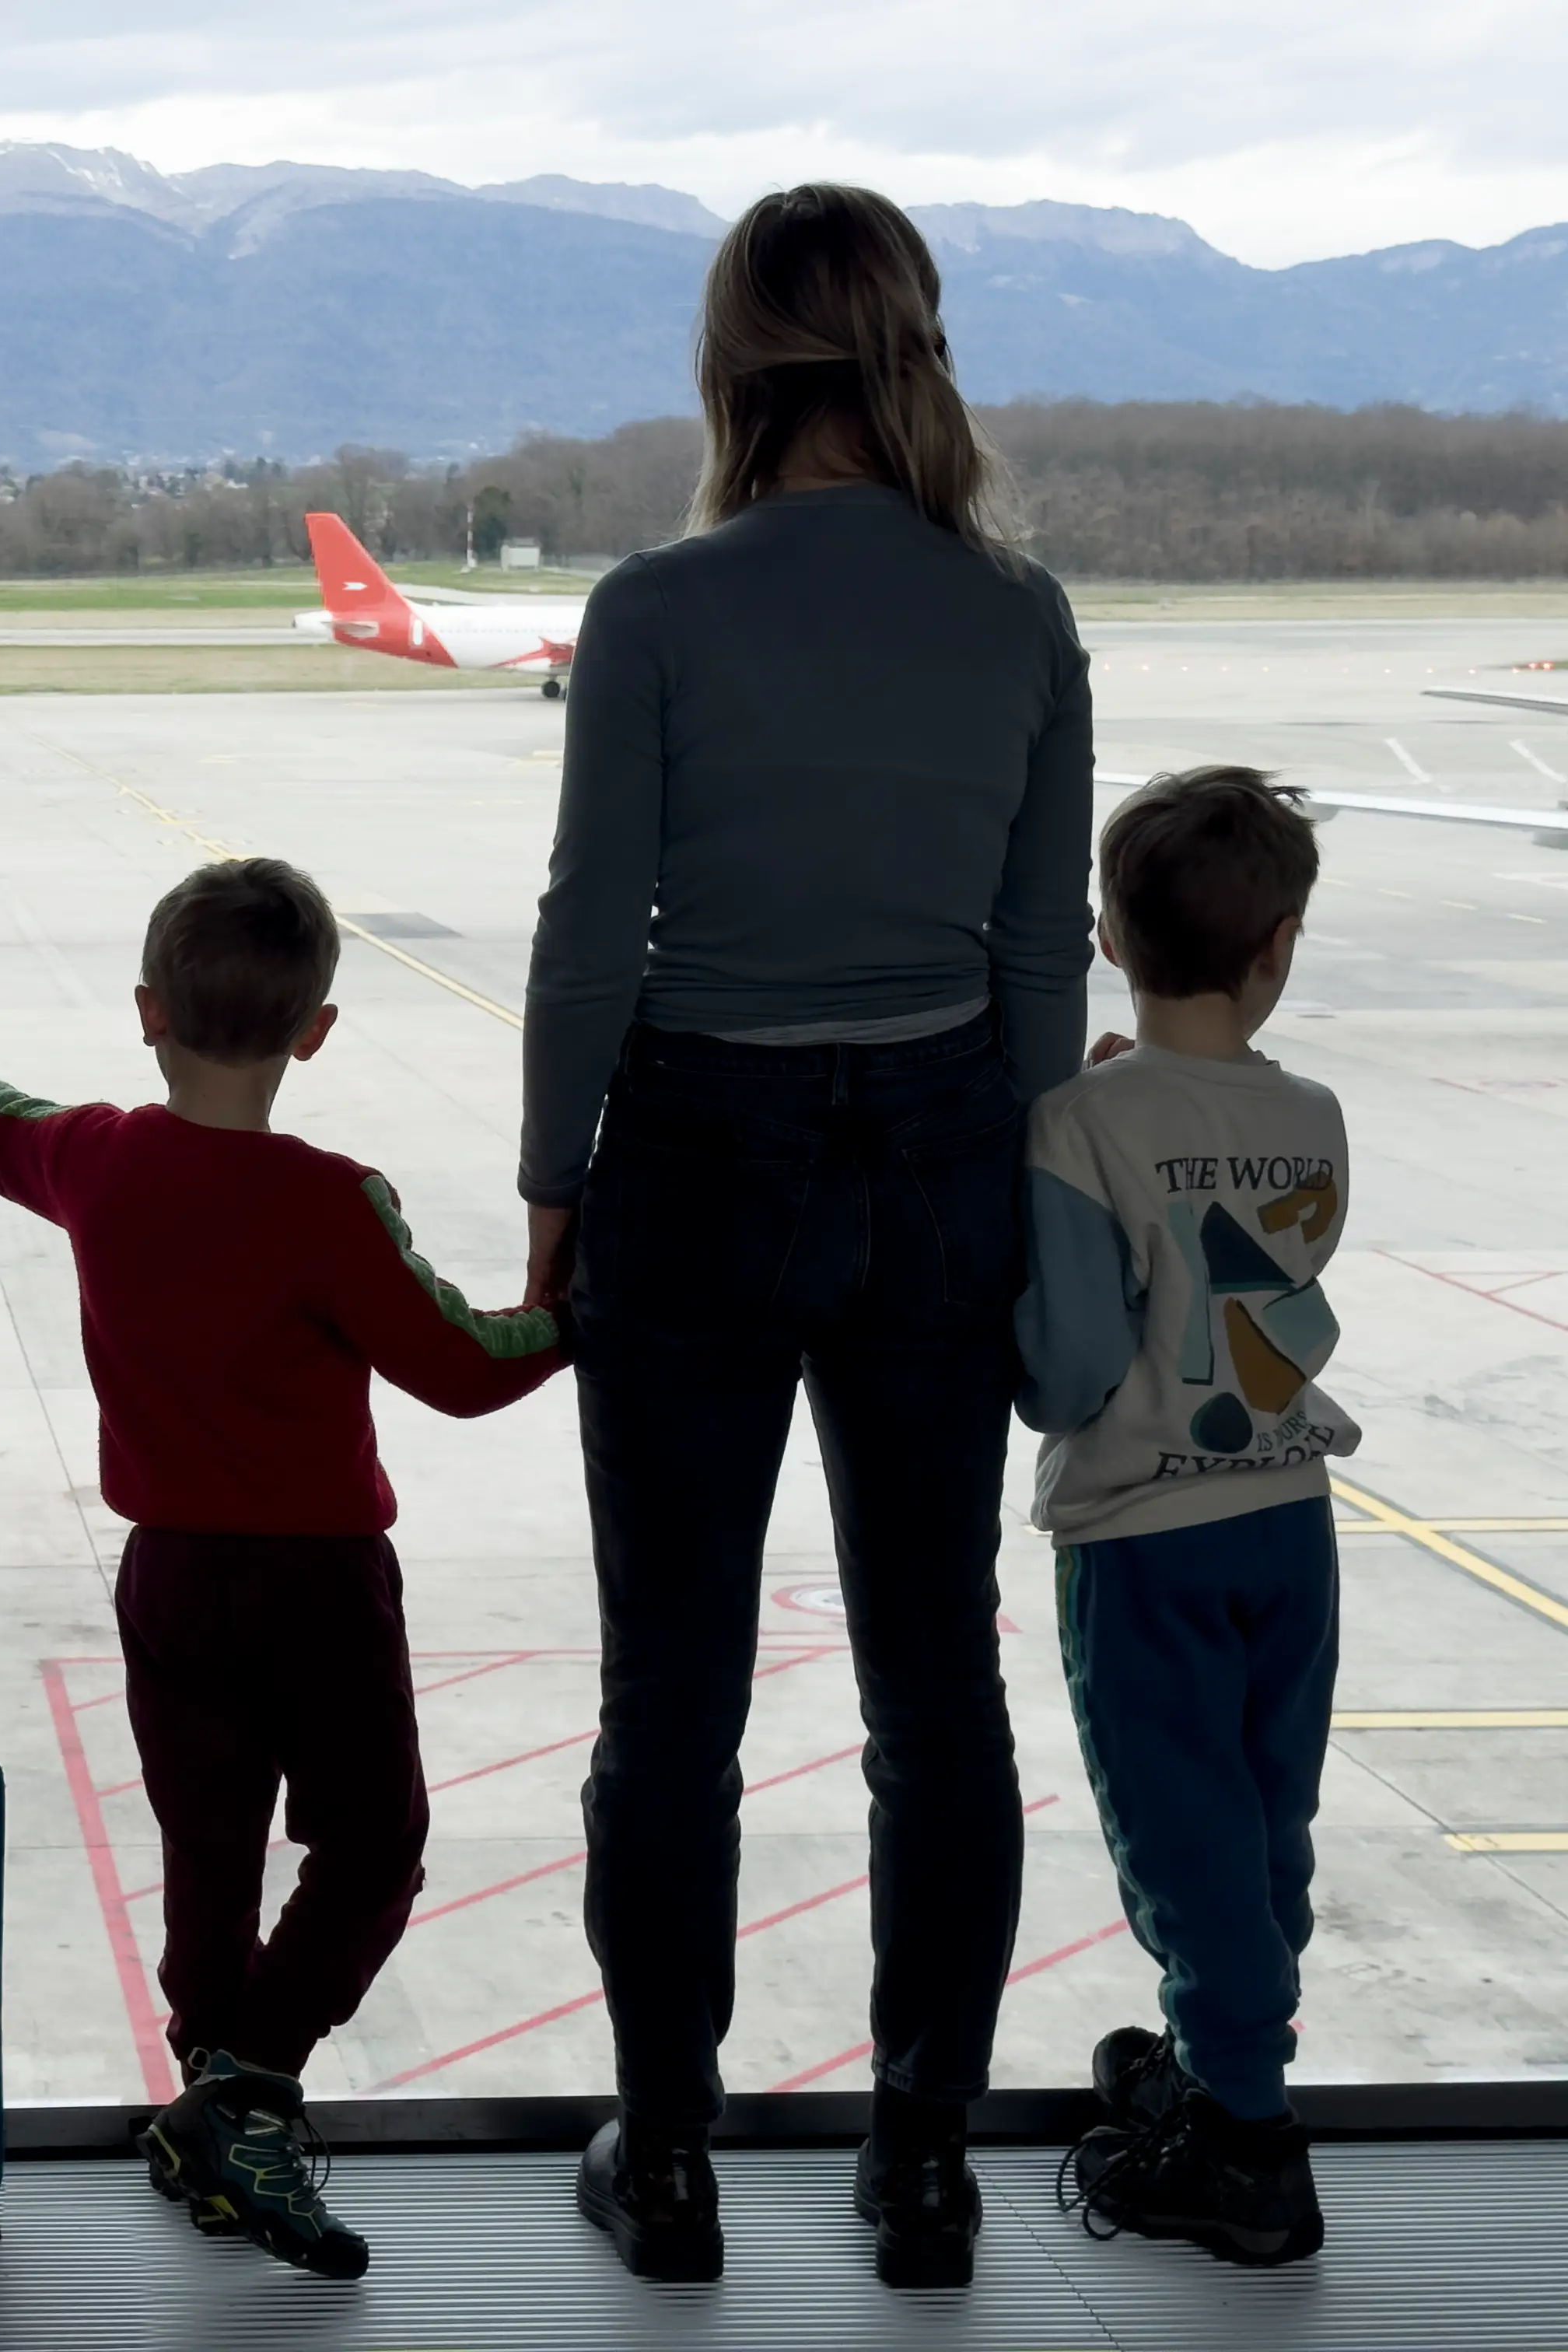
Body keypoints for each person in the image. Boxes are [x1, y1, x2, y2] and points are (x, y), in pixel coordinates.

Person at [517, 184, 1094, 2290]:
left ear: (731, 362)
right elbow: (1044, 958)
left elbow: (595, 933)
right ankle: (922, 2159)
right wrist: (1031, 1210)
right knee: (940, 1686)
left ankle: (666, 2153)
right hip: (946, 1152)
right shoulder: (1017, 612)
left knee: (669, 1697)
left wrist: (552, 1184)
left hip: (698, 1153)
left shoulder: (660, 607)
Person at [0, 856, 570, 2281]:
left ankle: (211, 2097)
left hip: (171, 1581)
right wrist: (575, 1311)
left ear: (147, 1011)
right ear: (316, 1030)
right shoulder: (330, 1201)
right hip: (317, 1587)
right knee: (371, 1846)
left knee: (212, 1848)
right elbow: (462, 1366)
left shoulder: (98, 1158)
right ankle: (247, 2093)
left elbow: (4, 1122)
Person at [1020, 767, 1346, 2267]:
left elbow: (1076, 1370)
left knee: (1180, 1830)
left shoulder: (1078, 1120)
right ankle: (1227, 2055)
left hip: (1148, 1535)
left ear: (1106, 933)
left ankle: (1246, 2146)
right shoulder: (1315, 1115)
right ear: (1278, 947)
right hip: (1289, 1517)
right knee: (1265, 1817)